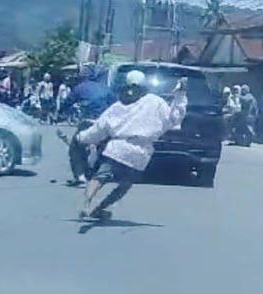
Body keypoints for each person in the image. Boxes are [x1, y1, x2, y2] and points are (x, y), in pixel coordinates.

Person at [75, 70, 188, 219]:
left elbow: (98, 130)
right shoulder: (155, 102)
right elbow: (174, 118)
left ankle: (86, 204)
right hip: (139, 153)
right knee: (124, 185)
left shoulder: (117, 105)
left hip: (116, 149)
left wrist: (81, 138)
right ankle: (99, 209)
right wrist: (180, 96)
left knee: (100, 177)